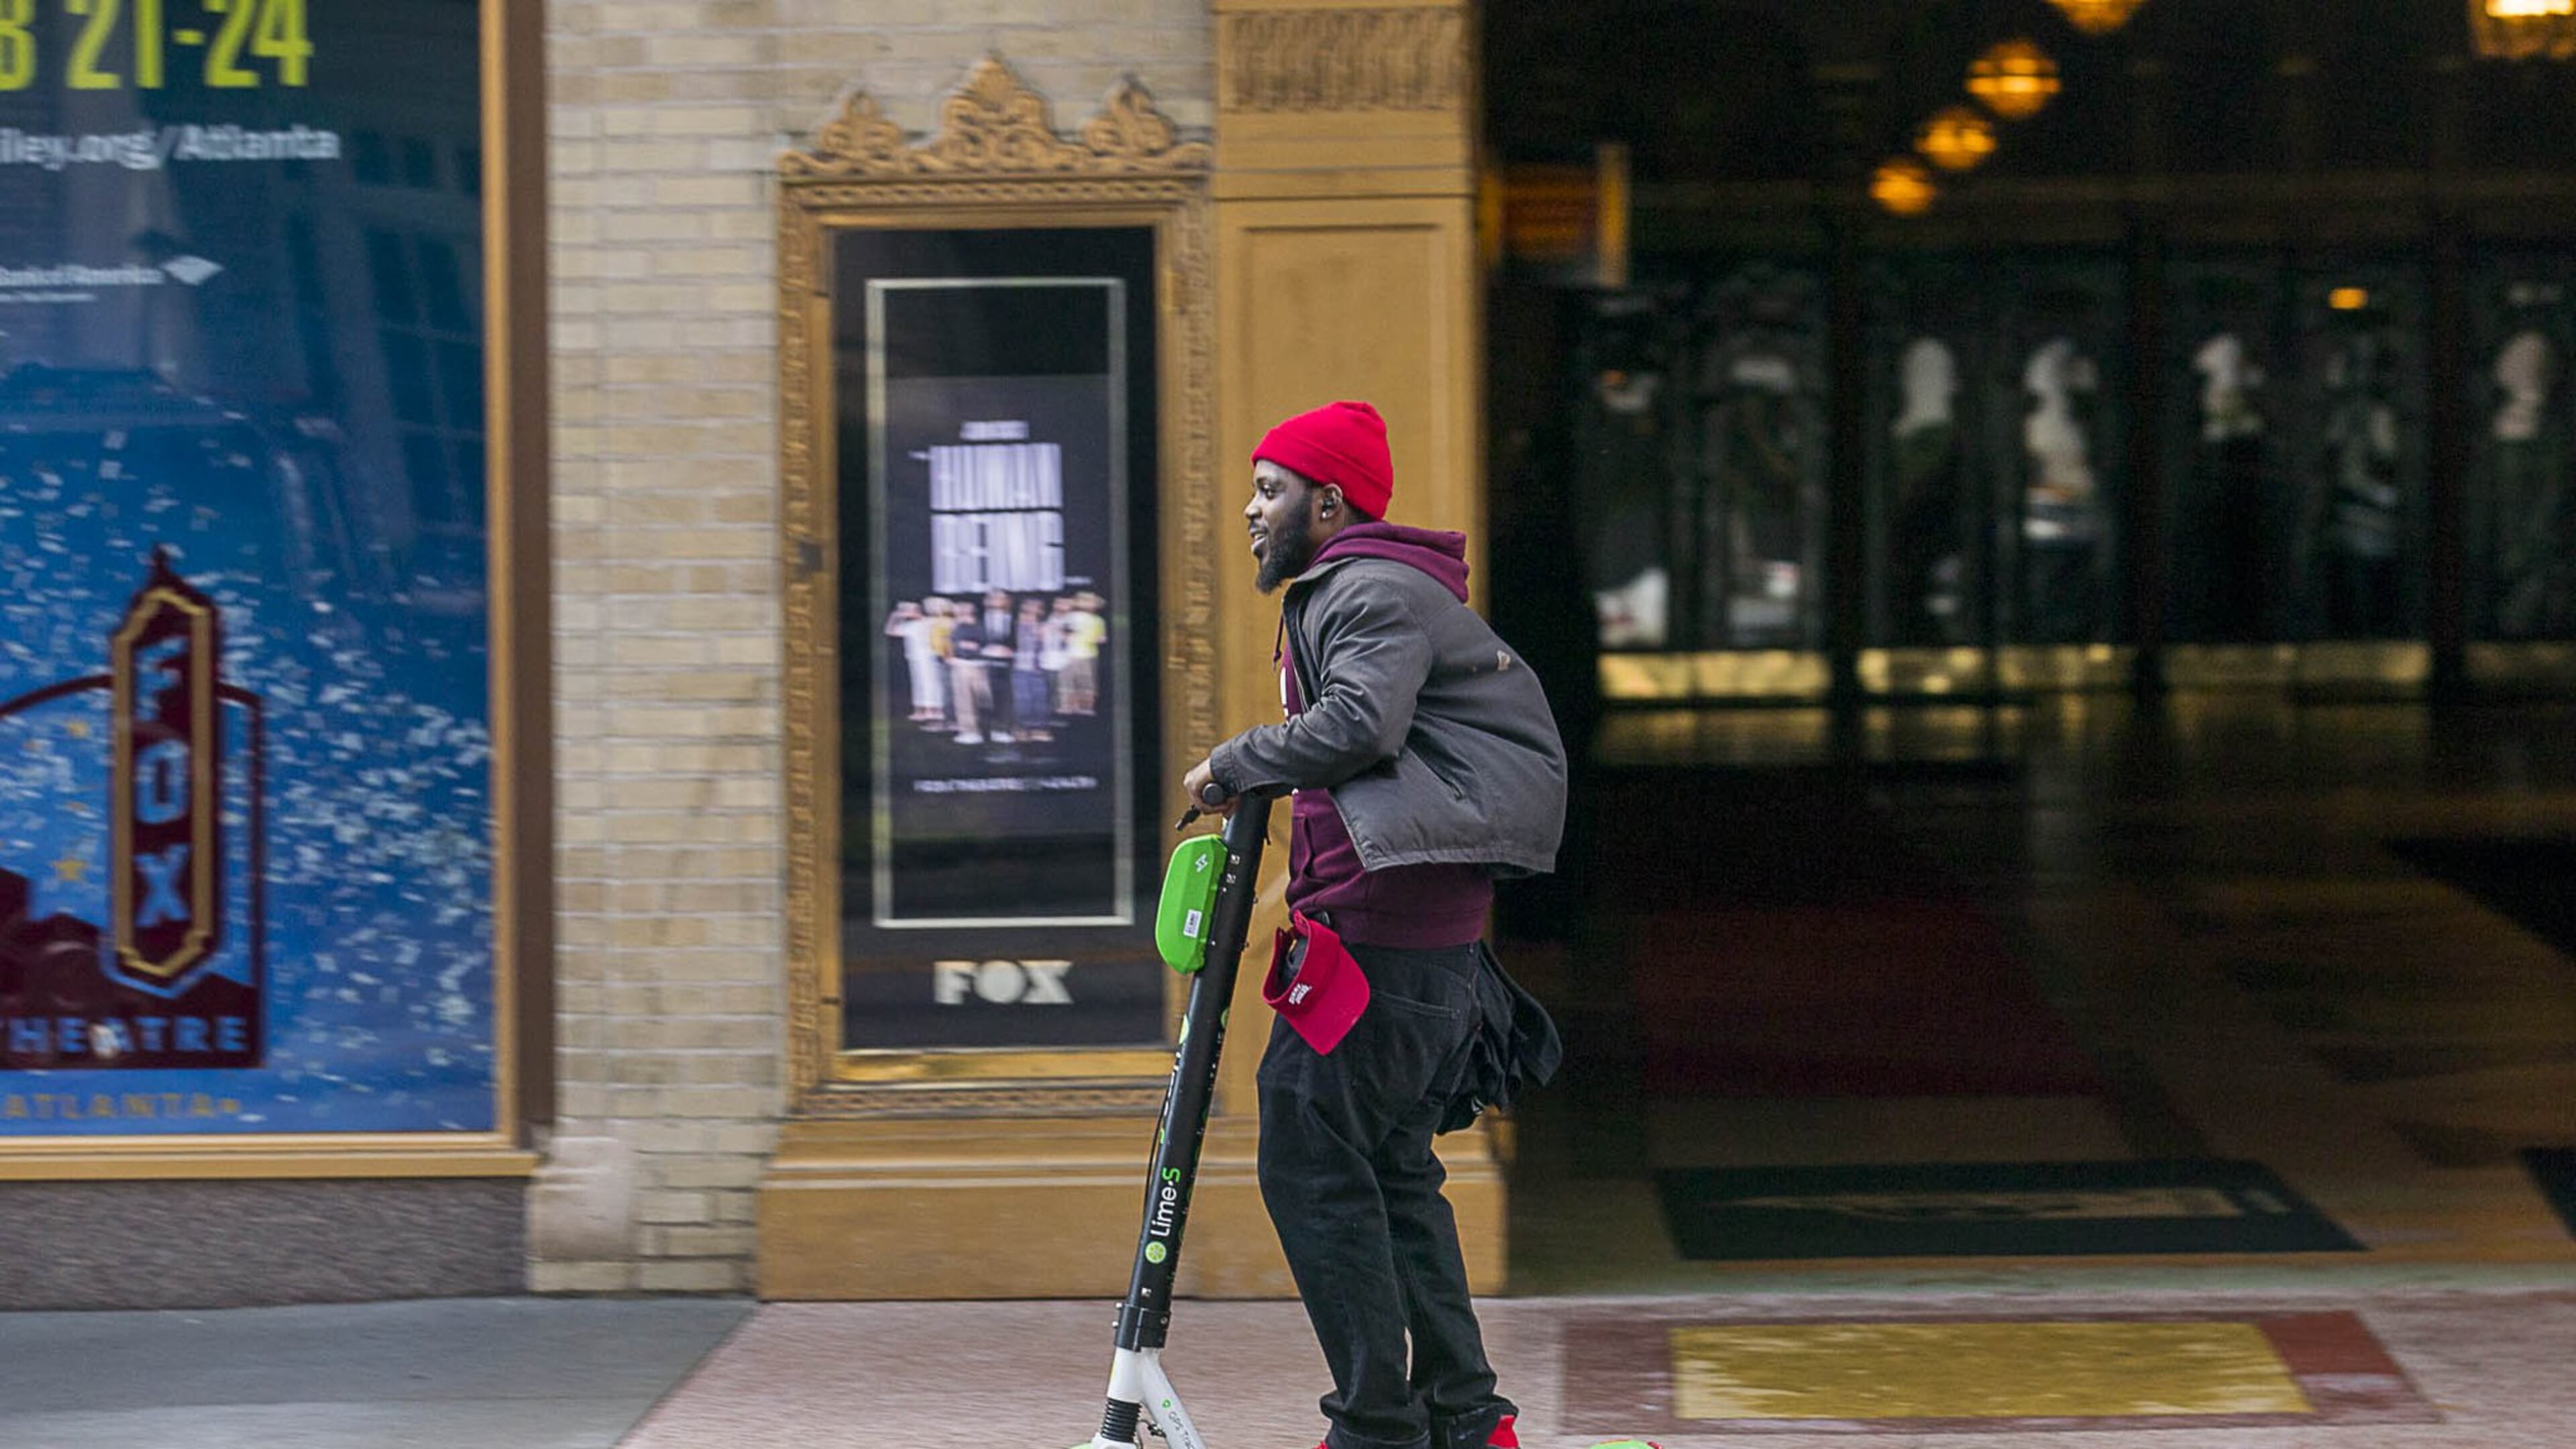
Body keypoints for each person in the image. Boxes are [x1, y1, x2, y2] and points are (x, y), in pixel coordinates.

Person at [1181, 400, 1566, 1449]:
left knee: (1308, 1159)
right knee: (1393, 1172)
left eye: (1272, 490)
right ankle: (1466, 1418)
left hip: (1388, 941)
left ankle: (1376, 1428)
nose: (1254, 512)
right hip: (1397, 940)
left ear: (1331, 498)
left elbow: (1360, 724)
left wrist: (1233, 763)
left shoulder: (1370, 590)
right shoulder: (1369, 589)